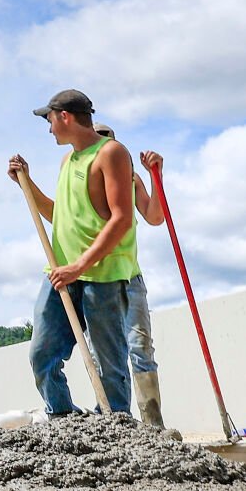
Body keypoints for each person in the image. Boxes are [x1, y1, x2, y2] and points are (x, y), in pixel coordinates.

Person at [7, 89, 138, 417]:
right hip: (62, 274)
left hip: (101, 278)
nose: (49, 128)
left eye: (49, 120)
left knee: (110, 363)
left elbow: (122, 218)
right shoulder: (68, 161)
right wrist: (26, 183)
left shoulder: (111, 153)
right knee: (41, 354)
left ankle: (115, 428)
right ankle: (65, 421)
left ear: (64, 116)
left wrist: (80, 266)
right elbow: (58, 215)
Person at [96, 127, 169, 429]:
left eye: (109, 139)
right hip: (97, 281)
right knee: (107, 355)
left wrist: (156, 175)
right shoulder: (82, 180)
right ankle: (116, 423)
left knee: (141, 349)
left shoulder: (128, 178)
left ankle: (153, 425)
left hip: (130, 278)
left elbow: (154, 216)